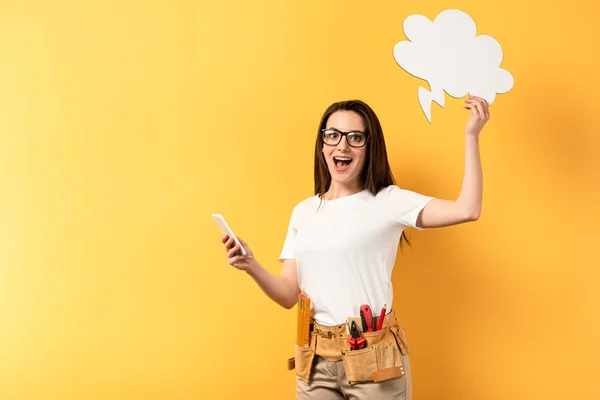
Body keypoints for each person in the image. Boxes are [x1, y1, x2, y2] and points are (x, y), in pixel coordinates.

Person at [220, 97, 489, 399]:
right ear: (322, 145)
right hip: (314, 359)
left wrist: (471, 135)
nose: (342, 146)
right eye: (332, 135)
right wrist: (251, 265)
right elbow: (287, 294)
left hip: (373, 357)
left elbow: (468, 209)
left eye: (355, 138)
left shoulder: (388, 201)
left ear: (369, 147)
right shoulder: (304, 211)